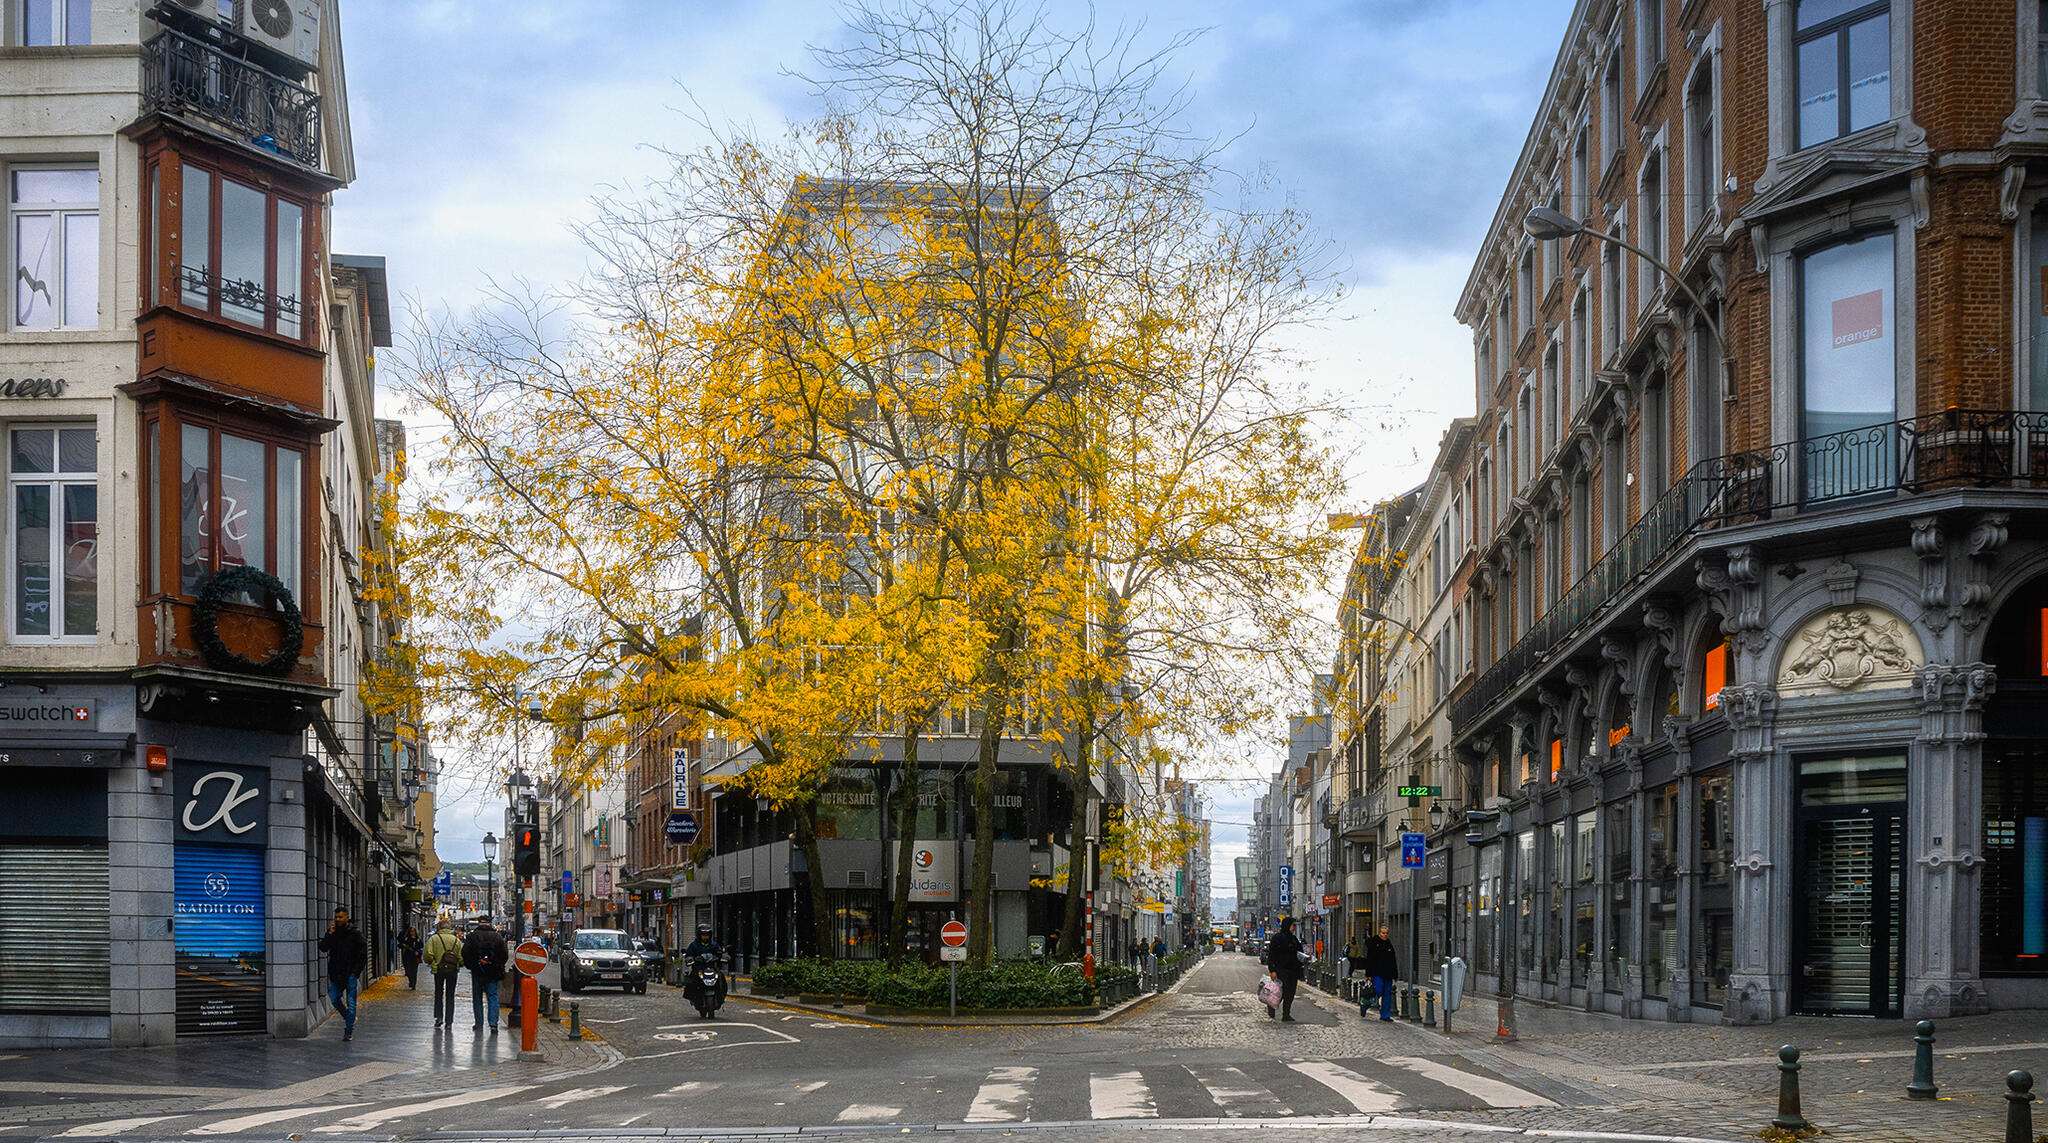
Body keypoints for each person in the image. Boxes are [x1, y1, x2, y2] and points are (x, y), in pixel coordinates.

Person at [317, 906, 368, 1041]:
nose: (338, 919)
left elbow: (363, 955)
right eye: (336, 917)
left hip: (350, 974)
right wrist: (329, 934)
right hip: (336, 973)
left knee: (351, 1003)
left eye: (340, 917)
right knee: (334, 999)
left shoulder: (355, 933)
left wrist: (355, 973)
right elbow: (323, 948)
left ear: (347, 917)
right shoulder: (333, 932)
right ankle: (348, 1017)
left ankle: (348, 1030)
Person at [462, 915, 509, 1033]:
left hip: (477, 971)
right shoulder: (497, 937)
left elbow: (465, 953)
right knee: (492, 996)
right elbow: (504, 955)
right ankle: (493, 1024)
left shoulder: (472, 936)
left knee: (477, 997)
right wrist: (496, 964)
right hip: (492, 972)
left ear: (479, 923)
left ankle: (479, 1023)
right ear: (490, 923)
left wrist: (472, 965)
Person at [424, 916, 463, 1028]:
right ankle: (449, 1022)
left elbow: (427, 954)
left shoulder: (434, 939)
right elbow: (462, 956)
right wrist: (459, 964)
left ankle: (439, 1017)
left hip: (438, 969)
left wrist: (432, 963)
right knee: (450, 995)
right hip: (452, 970)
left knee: (438, 993)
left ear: (439, 927)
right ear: (450, 928)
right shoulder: (456, 940)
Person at [1264, 915, 1305, 1022]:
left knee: (1290, 993)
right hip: (1281, 970)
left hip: (1293, 971)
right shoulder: (1277, 938)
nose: (1294, 928)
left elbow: (1299, 952)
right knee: (1279, 992)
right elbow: (1271, 955)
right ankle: (1272, 1007)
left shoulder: (1294, 939)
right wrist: (1272, 970)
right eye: (1292, 925)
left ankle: (1286, 1014)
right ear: (1287, 925)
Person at [1363, 924, 1400, 1022]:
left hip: (1388, 973)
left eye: (1387, 933)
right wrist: (1369, 974)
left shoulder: (1389, 944)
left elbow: (1393, 960)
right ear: (1379, 933)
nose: (1385, 935)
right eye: (1383, 933)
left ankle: (1385, 1015)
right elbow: (1370, 960)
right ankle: (1365, 1004)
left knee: (1387, 994)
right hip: (1377, 973)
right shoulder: (1374, 943)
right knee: (1377, 991)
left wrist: (1395, 974)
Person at [399, 926, 423, 990]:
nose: (412, 933)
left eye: (413, 931)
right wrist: (403, 945)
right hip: (407, 957)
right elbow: (400, 944)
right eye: (411, 931)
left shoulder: (418, 939)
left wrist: (418, 952)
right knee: (409, 971)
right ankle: (411, 981)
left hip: (415, 957)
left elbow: (422, 947)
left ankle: (413, 984)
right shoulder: (406, 939)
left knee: (414, 971)